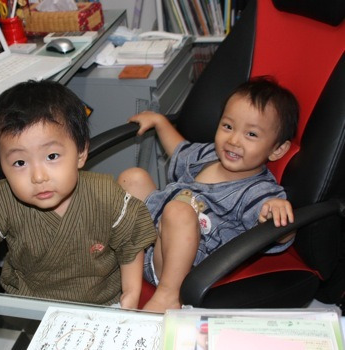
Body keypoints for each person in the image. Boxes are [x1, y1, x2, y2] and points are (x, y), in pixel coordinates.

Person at [0, 80, 156, 309]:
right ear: (1, 168)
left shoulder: (105, 195)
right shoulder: (3, 202)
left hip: (102, 303)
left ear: (80, 153)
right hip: (33, 307)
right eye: (20, 163)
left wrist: (131, 293)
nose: (38, 177)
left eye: (52, 156)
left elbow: (129, 244)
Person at [118, 76, 299, 312]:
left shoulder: (258, 191)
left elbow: (280, 232)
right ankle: (119, 252)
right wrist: (160, 122)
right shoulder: (210, 155)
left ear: (277, 150)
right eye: (228, 126)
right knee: (133, 178)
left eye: (251, 134)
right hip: (148, 242)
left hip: (183, 266)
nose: (233, 140)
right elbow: (180, 150)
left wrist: (279, 214)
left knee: (178, 210)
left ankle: (168, 297)